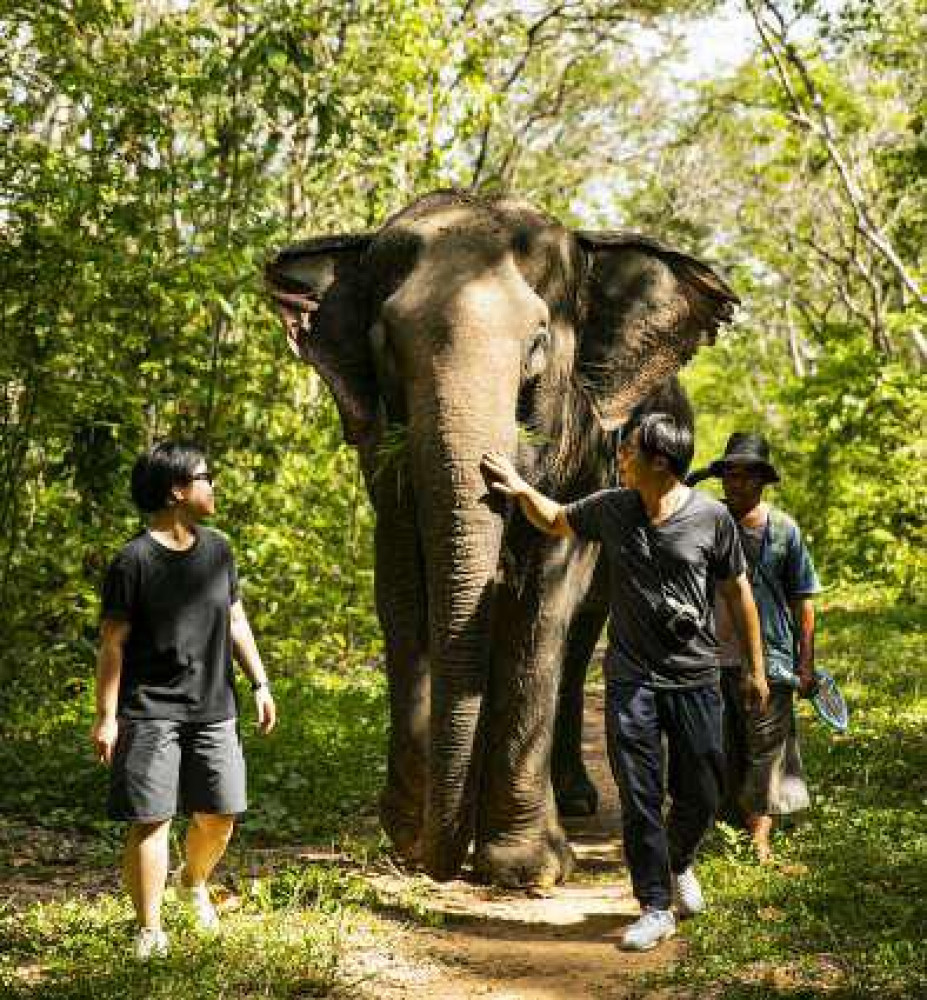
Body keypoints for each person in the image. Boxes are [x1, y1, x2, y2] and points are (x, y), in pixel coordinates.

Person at [482, 412, 768, 952]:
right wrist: (521, 488)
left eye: (629, 449)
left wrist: (755, 668)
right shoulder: (612, 508)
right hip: (632, 678)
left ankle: (678, 860)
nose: (620, 456)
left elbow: (738, 594)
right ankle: (655, 905)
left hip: (696, 677)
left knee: (703, 789)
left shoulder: (711, 519)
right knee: (639, 794)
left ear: (661, 461)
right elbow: (555, 520)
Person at [91, 441, 276, 959]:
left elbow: (235, 619)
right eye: (205, 476)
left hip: (214, 707)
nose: (212, 484)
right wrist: (106, 717)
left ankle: (192, 880)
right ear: (177, 490)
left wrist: (260, 682)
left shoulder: (218, 550)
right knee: (151, 820)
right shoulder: (132, 561)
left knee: (221, 816)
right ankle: (149, 930)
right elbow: (112, 643)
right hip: (149, 710)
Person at [687, 433, 821, 862]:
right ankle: (725, 827)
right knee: (719, 748)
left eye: (746, 475)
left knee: (766, 750)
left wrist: (806, 665)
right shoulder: (710, 522)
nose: (735, 483)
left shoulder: (784, 530)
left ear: (763, 480)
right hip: (710, 657)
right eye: (728, 473)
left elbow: (803, 601)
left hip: (773, 660)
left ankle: (759, 836)